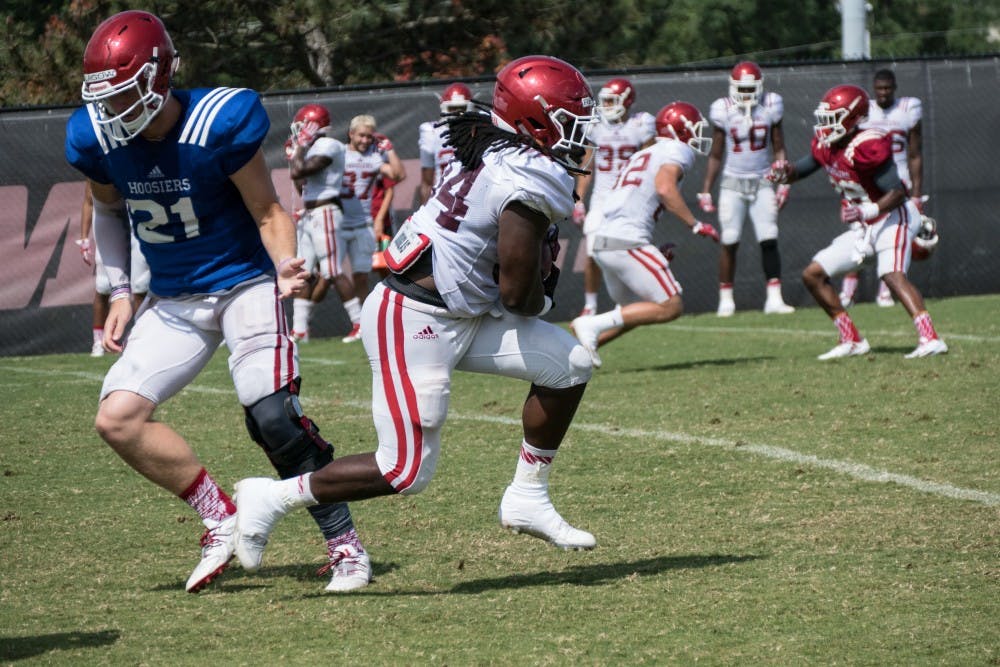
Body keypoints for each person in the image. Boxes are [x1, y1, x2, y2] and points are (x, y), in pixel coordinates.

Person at [231, 55, 601, 572]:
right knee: (404, 470)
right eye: (568, 121)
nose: (577, 134)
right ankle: (269, 498)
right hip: (414, 318)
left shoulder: (491, 143)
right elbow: (518, 296)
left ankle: (527, 496)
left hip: (458, 308)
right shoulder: (529, 174)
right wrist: (543, 290)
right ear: (532, 122)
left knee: (570, 365)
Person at [64, 10, 371, 593]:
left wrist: (284, 265)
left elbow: (267, 210)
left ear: (158, 77)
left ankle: (345, 547)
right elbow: (106, 211)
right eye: (104, 99)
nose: (113, 112)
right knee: (117, 419)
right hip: (174, 297)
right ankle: (218, 514)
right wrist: (122, 292)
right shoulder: (97, 136)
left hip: (242, 284)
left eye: (124, 95)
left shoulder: (216, 122)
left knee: (272, 416)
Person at [768, 84, 947, 360]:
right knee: (813, 275)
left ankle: (930, 338)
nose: (825, 125)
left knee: (891, 274)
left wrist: (868, 210)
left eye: (832, 118)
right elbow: (799, 170)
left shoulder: (867, 145)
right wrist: (784, 173)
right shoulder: (825, 145)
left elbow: (899, 192)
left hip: (893, 217)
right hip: (865, 226)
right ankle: (851, 339)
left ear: (851, 119)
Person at [570, 102, 720, 368]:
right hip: (626, 240)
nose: (696, 135)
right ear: (680, 129)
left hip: (605, 240)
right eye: (694, 128)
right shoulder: (678, 149)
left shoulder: (643, 154)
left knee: (638, 310)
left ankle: (575, 351)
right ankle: (589, 324)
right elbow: (664, 188)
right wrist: (694, 224)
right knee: (671, 306)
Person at [698, 61, 795, 317]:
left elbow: (779, 146)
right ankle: (726, 300)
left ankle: (774, 298)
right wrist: (706, 188)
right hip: (732, 182)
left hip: (763, 180)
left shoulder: (771, 105)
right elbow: (716, 153)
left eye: (751, 87)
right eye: (741, 87)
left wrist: (783, 181)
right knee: (730, 239)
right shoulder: (723, 109)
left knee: (769, 237)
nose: (746, 93)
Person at [839, 69, 925, 309]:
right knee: (858, 235)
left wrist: (917, 193)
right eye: (880, 88)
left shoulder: (908, 109)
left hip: (898, 183)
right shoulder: (865, 111)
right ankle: (848, 292)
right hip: (868, 184)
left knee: (890, 238)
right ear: (874, 89)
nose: (884, 93)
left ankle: (885, 292)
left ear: (895, 88)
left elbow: (915, 154)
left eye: (888, 88)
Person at [573, 78, 656, 317]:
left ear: (626, 101)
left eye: (611, 101)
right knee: (591, 251)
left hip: (629, 198)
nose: (606, 105)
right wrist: (579, 199)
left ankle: (628, 301)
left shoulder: (641, 124)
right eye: (605, 101)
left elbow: (650, 162)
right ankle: (590, 305)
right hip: (602, 198)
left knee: (626, 250)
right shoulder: (596, 125)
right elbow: (587, 164)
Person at [336, 114, 406, 342]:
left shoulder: (375, 156)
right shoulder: (338, 152)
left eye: (369, 136)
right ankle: (357, 321)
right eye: (362, 135)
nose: (366, 140)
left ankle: (365, 324)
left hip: (363, 222)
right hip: (337, 220)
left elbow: (398, 175)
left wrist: (390, 149)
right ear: (351, 134)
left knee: (361, 275)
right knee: (331, 272)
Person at [286, 103, 346, 344]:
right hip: (310, 213)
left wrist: (298, 150)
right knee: (303, 271)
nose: (299, 132)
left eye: (303, 127)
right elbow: (300, 185)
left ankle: (360, 322)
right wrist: (296, 153)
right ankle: (300, 330)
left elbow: (298, 171)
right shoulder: (310, 147)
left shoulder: (328, 145)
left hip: (326, 211)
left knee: (332, 271)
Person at [77, 181, 149, 356]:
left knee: (140, 287)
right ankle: (98, 342)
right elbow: (89, 200)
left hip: (139, 228)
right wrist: (84, 237)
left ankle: (143, 337)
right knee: (103, 287)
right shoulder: (102, 159)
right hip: (111, 225)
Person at [418, 82, 476, 205]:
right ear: (443, 107)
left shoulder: (480, 130)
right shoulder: (431, 132)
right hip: (443, 201)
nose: (457, 113)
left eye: (462, 108)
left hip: (474, 200)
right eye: (452, 108)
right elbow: (427, 182)